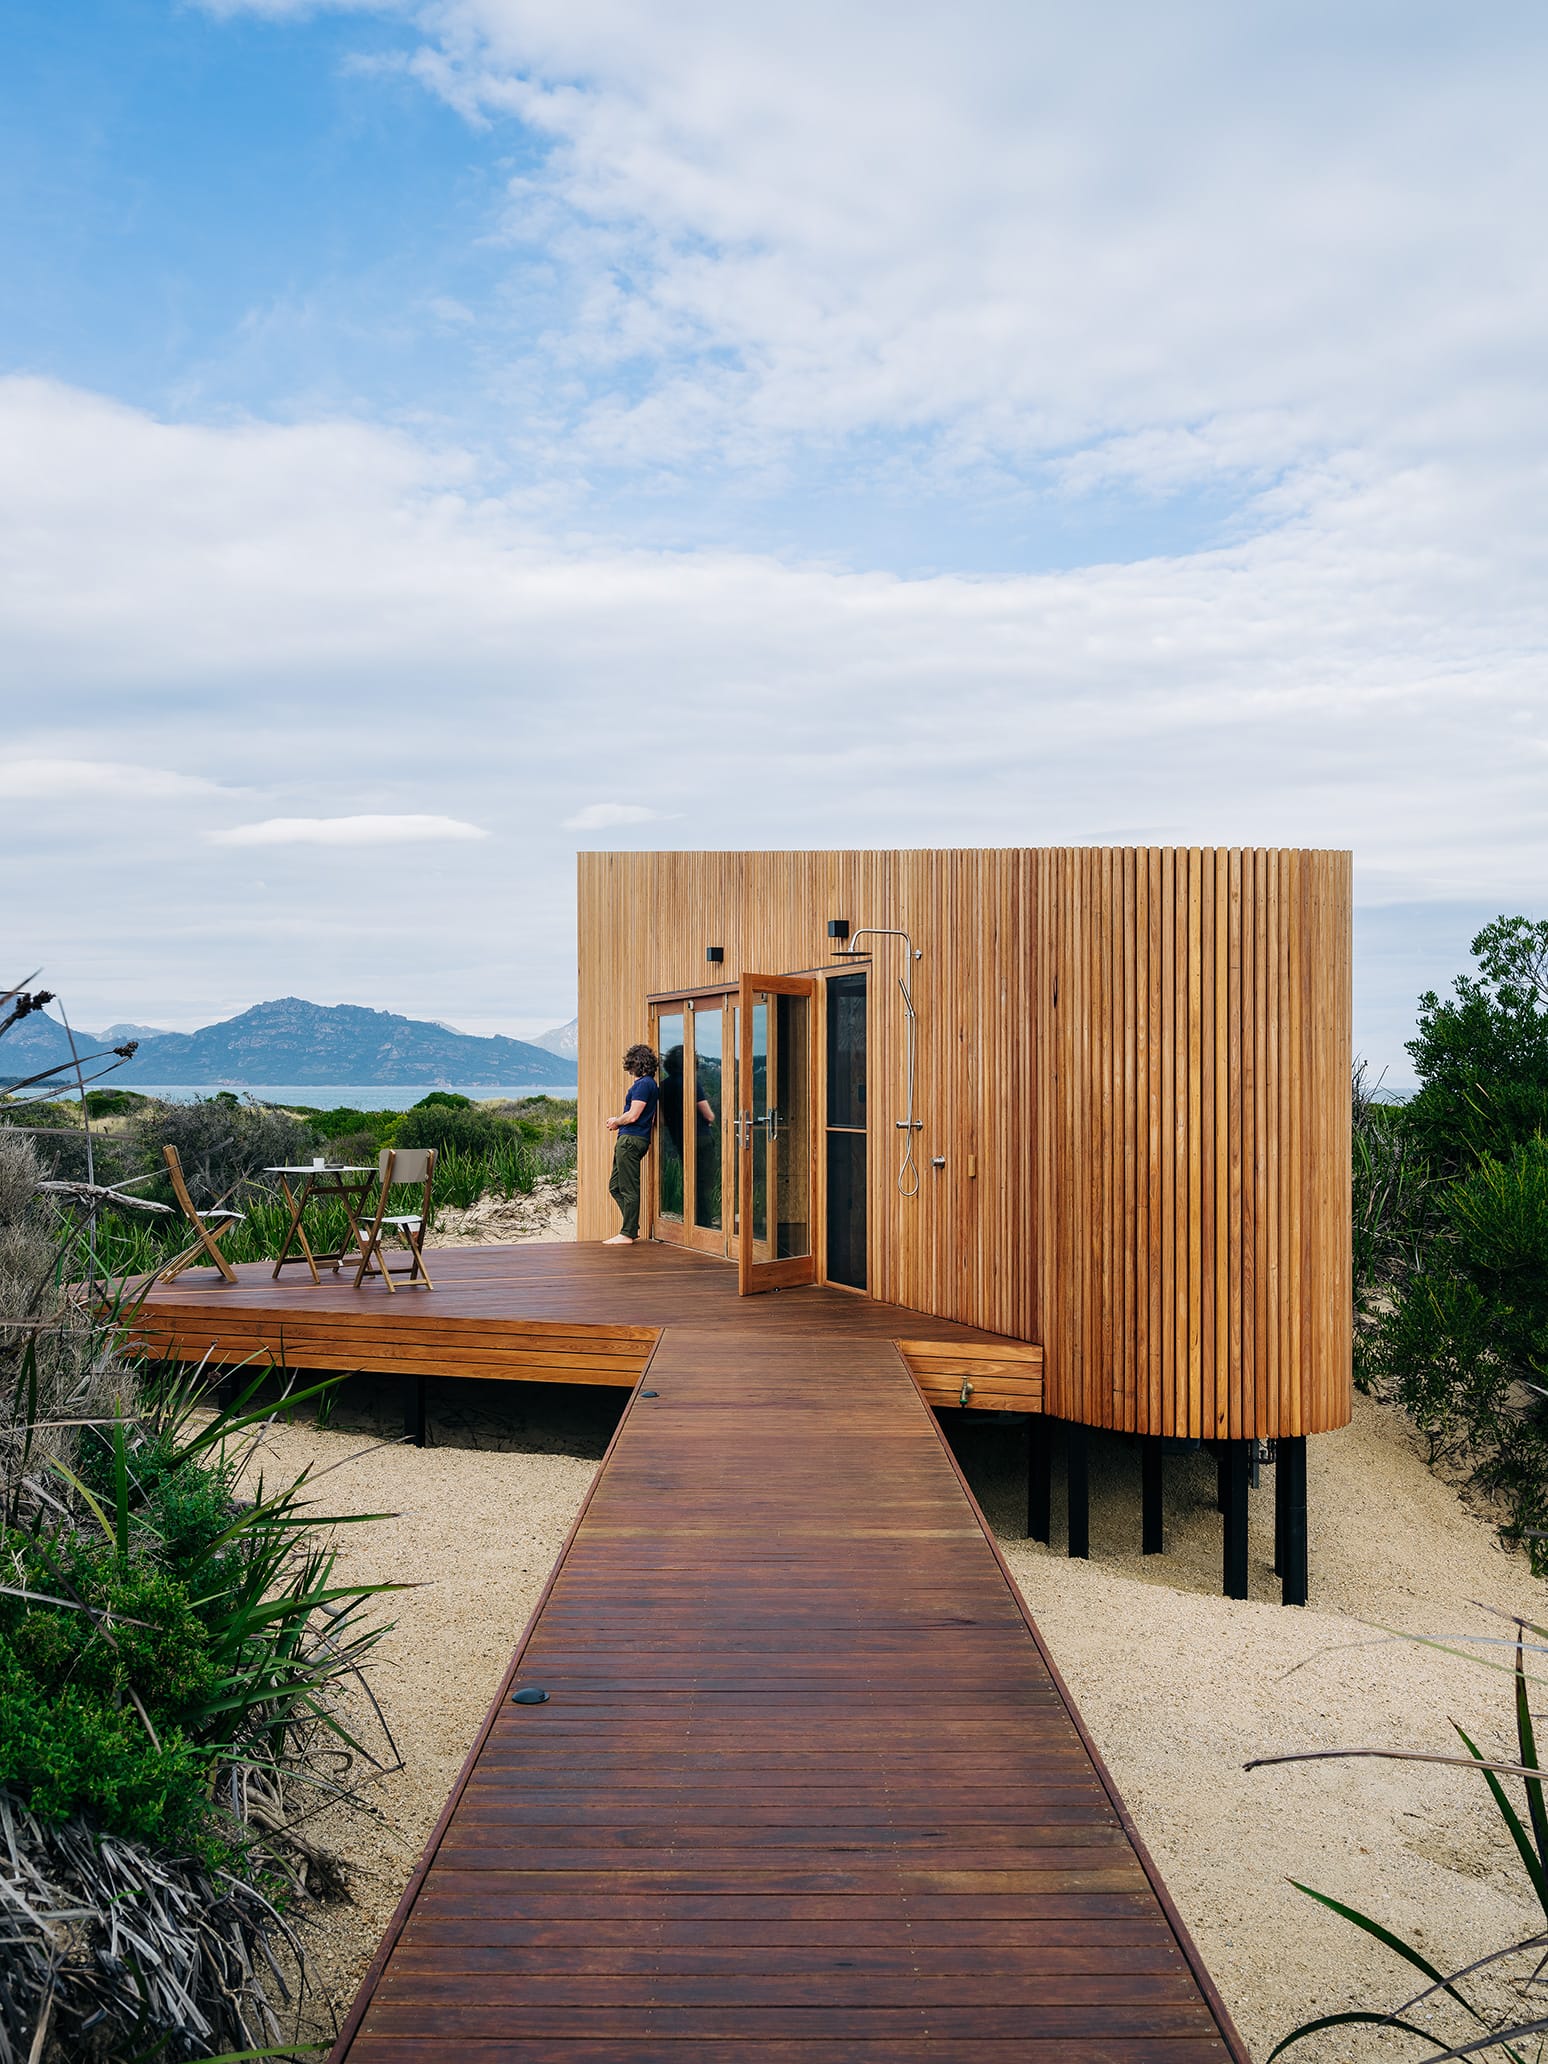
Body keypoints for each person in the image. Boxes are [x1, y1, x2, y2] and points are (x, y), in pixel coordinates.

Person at [603, 1043, 660, 1245]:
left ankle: (627, 1233)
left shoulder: (644, 1085)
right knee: (615, 1186)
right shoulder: (648, 1085)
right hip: (629, 1139)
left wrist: (616, 1121)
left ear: (636, 1064)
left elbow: (634, 1115)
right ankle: (631, 1226)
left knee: (628, 1188)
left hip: (630, 1140)